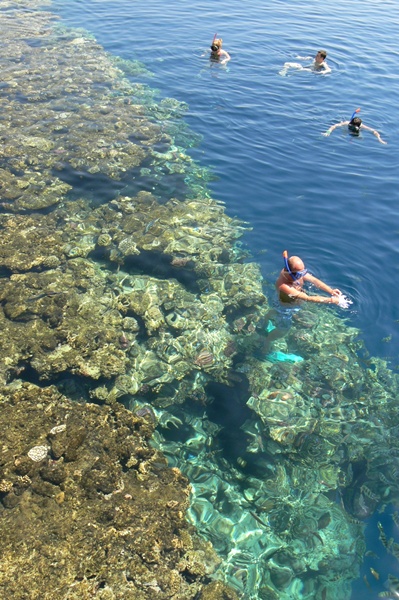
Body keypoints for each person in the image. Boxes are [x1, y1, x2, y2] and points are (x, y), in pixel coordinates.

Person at [276, 251, 342, 305]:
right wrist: (331, 300)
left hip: (299, 297)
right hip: (289, 305)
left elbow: (314, 280)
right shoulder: (284, 286)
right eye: (299, 274)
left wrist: (331, 291)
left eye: (303, 272)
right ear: (289, 272)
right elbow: (307, 298)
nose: (302, 275)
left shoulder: (296, 272)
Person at [322, 109, 387, 144]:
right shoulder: (347, 123)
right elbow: (334, 126)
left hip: (356, 132)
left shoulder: (361, 126)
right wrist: (328, 132)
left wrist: (379, 139)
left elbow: (374, 131)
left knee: (361, 139)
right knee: (343, 137)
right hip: (347, 130)